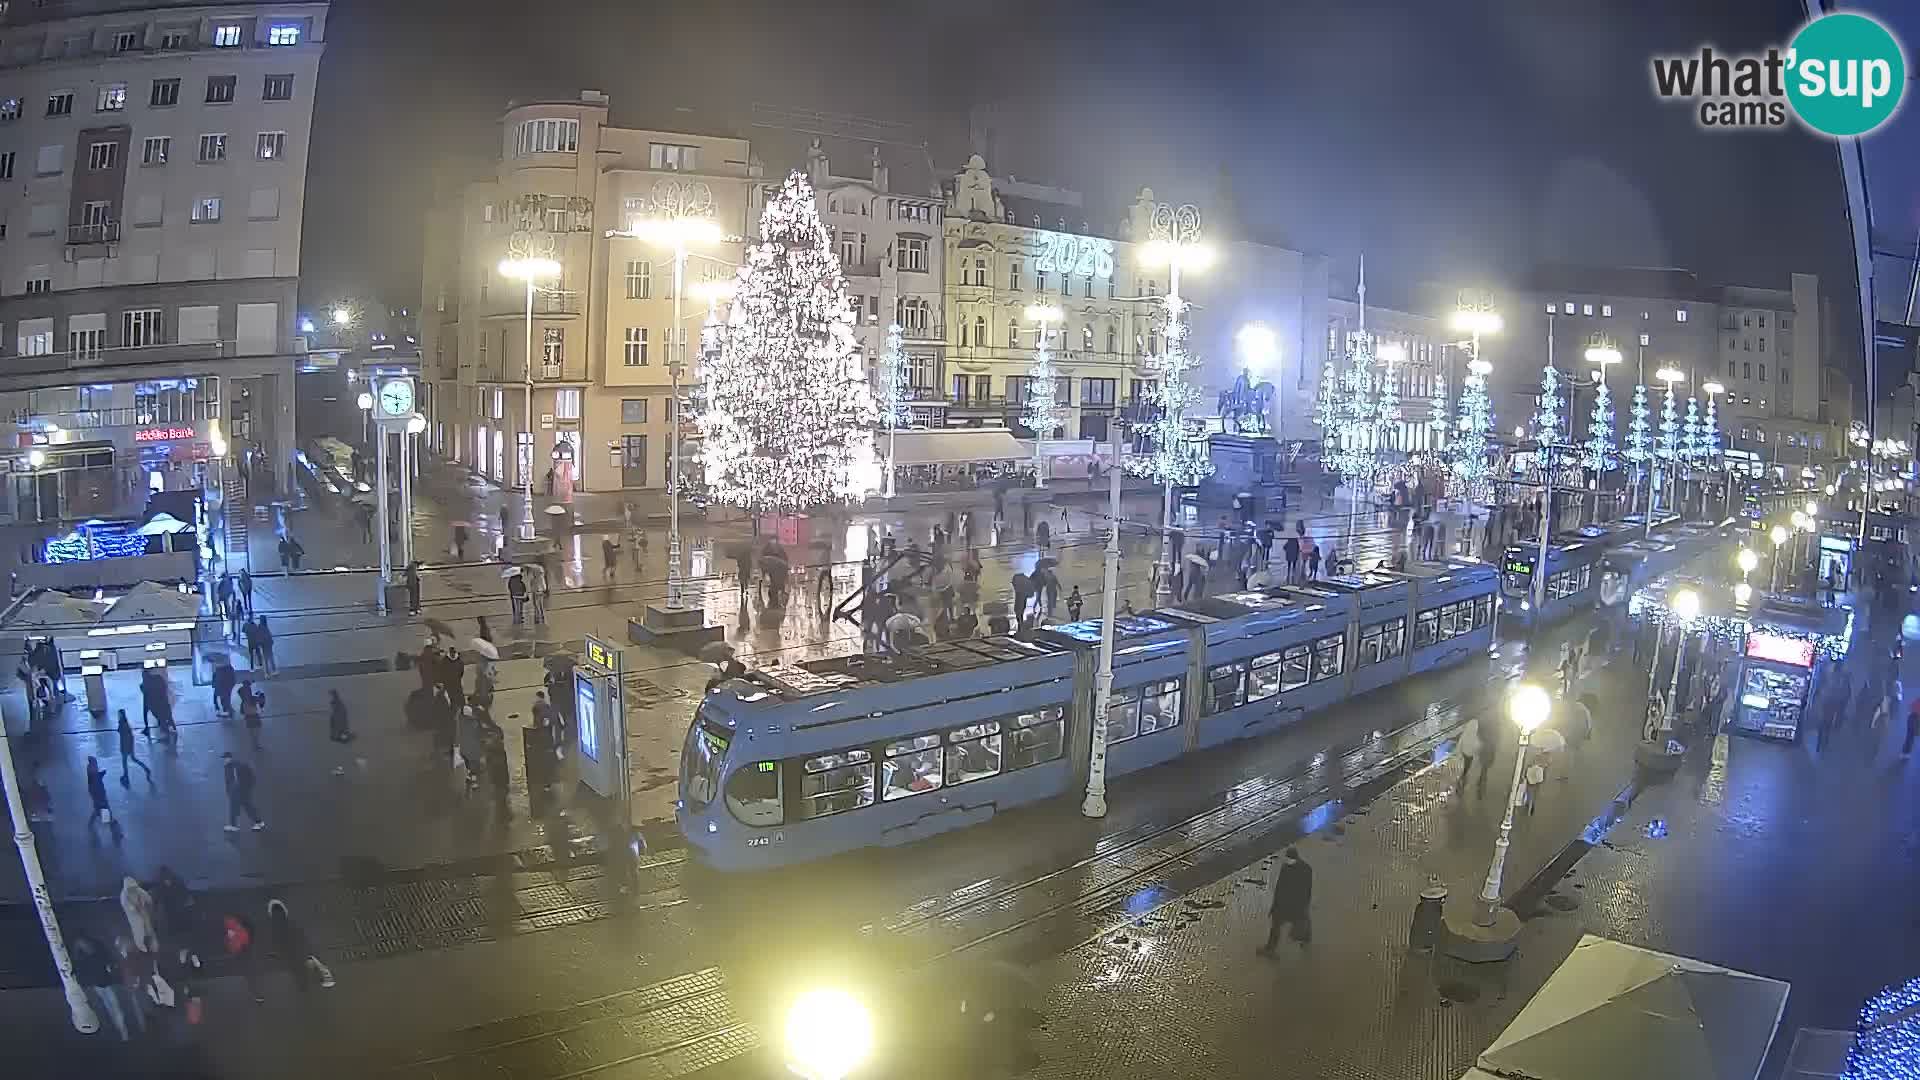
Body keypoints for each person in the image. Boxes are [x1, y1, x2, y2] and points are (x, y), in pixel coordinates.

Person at [71, 931, 130, 1040]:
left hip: (104, 983)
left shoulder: (94, 952)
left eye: (83, 944)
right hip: (99, 984)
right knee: (110, 1006)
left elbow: (107, 960)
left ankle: (122, 1030)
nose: (83, 945)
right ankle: (120, 1030)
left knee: (113, 1006)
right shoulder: (87, 955)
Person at [266, 898, 333, 991]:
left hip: (298, 956)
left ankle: (310, 983)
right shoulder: (281, 930)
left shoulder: (282, 928)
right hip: (298, 957)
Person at [1256, 847, 1313, 955]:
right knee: (1282, 924)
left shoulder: (1300, 869)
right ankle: (1305, 939)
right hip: (1289, 904)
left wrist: (1303, 904)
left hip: (1292, 904)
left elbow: (1306, 890)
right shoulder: (1301, 868)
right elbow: (1280, 888)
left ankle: (1271, 949)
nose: (1288, 861)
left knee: (1278, 925)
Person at [222, 752, 265, 831]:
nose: (224, 760)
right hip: (238, 791)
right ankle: (259, 822)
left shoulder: (235, 767)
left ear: (230, 758)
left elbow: (234, 780)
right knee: (246, 807)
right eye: (223, 758)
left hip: (239, 791)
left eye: (225, 758)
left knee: (237, 808)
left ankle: (234, 825)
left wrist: (239, 790)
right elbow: (229, 781)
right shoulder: (229, 767)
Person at [120, 874, 160, 954]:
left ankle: (154, 945)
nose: (133, 890)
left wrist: (149, 905)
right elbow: (131, 909)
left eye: (134, 888)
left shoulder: (138, 890)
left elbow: (148, 898)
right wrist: (138, 908)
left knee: (149, 928)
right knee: (138, 931)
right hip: (134, 917)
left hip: (144, 912)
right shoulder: (124, 897)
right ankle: (141, 947)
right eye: (131, 889)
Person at [116, 710, 151, 786]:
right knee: (133, 759)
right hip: (127, 745)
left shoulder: (123, 724)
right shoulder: (123, 723)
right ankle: (146, 769)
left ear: (122, 715)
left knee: (125, 761)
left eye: (119, 714)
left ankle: (126, 775)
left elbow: (128, 736)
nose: (118, 716)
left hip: (125, 746)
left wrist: (127, 747)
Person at [1453, 716, 1485, 797]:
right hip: (1470, 756)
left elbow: (1460, 743)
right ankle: (1462, 782)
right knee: (1466, 770)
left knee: (1463, 769)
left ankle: (1461, 782)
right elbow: (1478, 748)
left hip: (1464, 754)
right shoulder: (1476, 738)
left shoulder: (1466, 734)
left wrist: (1457, 752)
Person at [85, 755, 114, 832]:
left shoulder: (92, 772)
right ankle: (110, 825)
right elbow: (96, 779)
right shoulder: (92, 772)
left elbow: (96, 777)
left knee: (98, 809)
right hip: (99, 793)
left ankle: (92, 824)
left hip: (97, 793)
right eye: (95, 763)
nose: (96, 765)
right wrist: (102, 773)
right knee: (104, 808)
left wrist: (101, 774)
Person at [239, 679, 264, 748]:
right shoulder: (250, 698)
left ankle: (254, 743)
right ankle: (256, 743)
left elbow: (242, 711)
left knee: (252, 730)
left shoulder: (244, 699)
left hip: (248, 715)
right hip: (253, 715)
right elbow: (260, 700)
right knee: (256, 729)